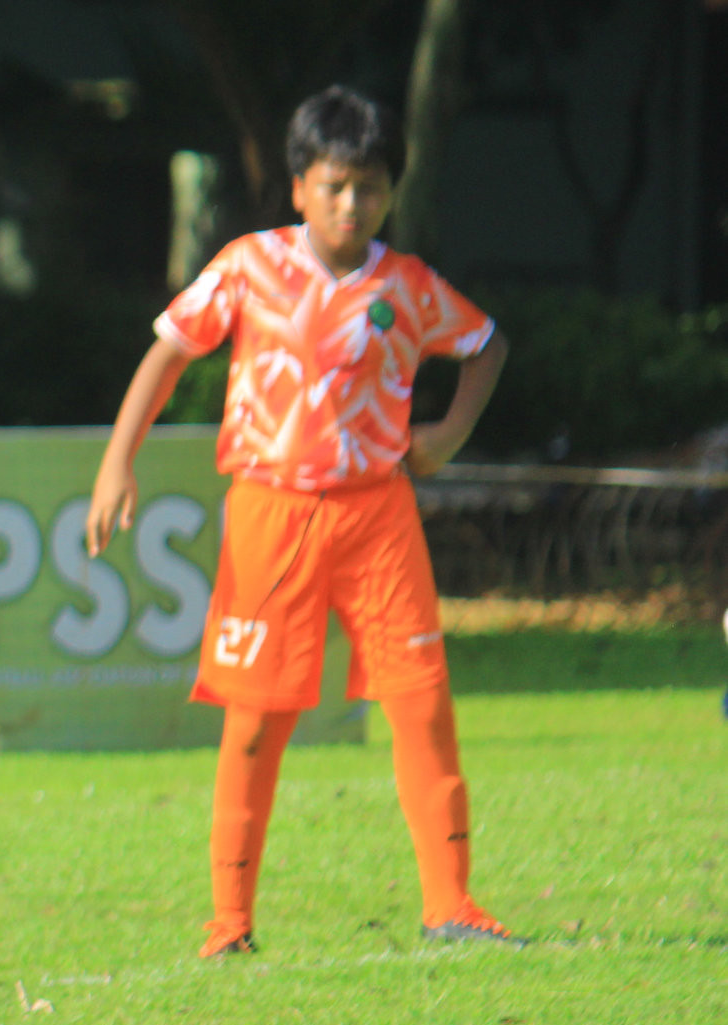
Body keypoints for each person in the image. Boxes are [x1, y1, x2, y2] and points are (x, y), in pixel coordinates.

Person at [87, 85, 515, 957]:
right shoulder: (248, 269)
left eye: (369, 186)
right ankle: (228, 924)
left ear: (390, 191)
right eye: (333, 185)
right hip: (269, 518)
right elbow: (168, 350)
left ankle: (452, 906)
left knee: (422, 703)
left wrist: (446, 433)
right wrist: (116, 459)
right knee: (254, 720)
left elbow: (486, 345)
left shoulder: (406, 285)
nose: (350, 203)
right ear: (297, 188)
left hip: (378, 520)